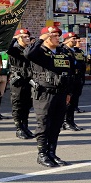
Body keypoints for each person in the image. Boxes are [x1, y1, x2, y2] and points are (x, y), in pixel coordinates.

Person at [25, 26, 73, 167]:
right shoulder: (38, 52)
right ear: (46, 37)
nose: (58, 38)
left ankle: (52, 153)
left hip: (61, 93)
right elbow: (28, 54)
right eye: (54, 35)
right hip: (44, 94)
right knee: (44, 125)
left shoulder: (62, 52)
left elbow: (69, 72)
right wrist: (40, 39)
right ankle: (42, 154)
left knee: (56, 125)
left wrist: (69, 93)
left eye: (58, 35)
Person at [7, 28, 35, 139]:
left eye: (28, 36)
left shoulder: (29, 50)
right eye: (24, 36)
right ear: (18, 38)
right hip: (17, 80)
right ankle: (19, 128)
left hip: (28, 79)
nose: (27, 38)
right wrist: (14, 38)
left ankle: (25, 126)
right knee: (18, 104)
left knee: (27, 104)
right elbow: (6, 48)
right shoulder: (14, 49)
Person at [62, 32, 86, 131]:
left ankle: (71, 121)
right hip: (68, 79)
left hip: (77, 78)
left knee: (74, 102)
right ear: (66, 39)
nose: (75, 41)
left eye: (76, 39)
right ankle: (65, 122)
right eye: (73, 39)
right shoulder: (62, 50)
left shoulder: (77, 51)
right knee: (67, 102)